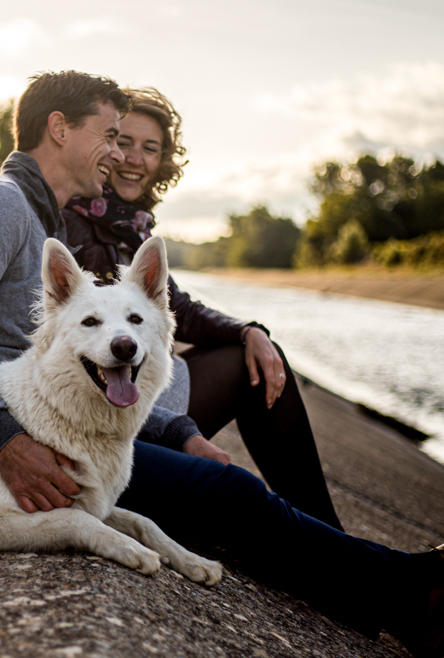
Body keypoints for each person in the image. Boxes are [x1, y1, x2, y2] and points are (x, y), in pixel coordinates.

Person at [0, 70, 444, 658]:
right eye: (110, 135)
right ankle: (414, 597)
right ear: (59, 128)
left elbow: (95, 376)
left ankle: (383, 574)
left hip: (59, 430)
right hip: (12, 446)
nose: (117, 153)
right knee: (232, 492)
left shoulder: (37, 216)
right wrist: (6, 441)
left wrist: (184, 419)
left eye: (131, 142)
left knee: (236, 441)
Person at [62, 87, 343, 530]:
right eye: (124, 142)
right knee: (246, 369)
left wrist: (249, 330)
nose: (134, 158)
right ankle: (330, 537)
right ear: (106, 146)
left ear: (162, 161)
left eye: (150, 148)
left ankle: (326, 534)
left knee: (255, 354)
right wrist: (182, 431)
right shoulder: (74, 223)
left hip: (134, 389)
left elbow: (181, 310)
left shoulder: (129, 226)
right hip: (105, 405)